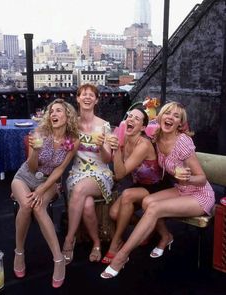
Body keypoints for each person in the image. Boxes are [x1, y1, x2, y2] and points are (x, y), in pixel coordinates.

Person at [100, 101, 215, 279]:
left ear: (180, 124)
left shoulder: (183, 142)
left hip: (199, 194)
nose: (170, 117)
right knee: (147, 202)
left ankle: (122, 256)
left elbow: (201, 179)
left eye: (176, 116)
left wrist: (187, 178)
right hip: (179, 189)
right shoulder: (156, 138)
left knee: (154, 207)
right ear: (160, 117)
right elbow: (131, 129)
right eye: (167, 113)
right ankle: (165, 237)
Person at [11, 99, 79, 288]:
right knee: (26, 205)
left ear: (68, 116)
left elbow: (60, 170)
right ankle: (19, 252)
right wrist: (35, 152)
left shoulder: (73, 140)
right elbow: (31, 166)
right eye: (51, 112)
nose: (53, 114)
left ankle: (58, 259)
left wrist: (42, 188)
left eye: (58, 111)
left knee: (39, 207)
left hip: (48, 181)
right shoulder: (39, 133)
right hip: (25, 176)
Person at [101, 107, 170, 264]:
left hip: (157, 186)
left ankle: (116, 243)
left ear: (143, 127)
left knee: (127, 195)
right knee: (113, 213)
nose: (130, 119)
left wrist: (116, 149)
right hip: (140, 185)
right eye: (129, 116)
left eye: (136, 119)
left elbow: (120, 173)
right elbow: (117, 170)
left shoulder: (143, 144)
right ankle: (146, 228)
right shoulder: (125, 139)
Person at [62, 84, 114, 264]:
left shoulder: (104, 126)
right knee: (87, 205)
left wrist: (101, 146)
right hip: (77, 173)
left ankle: (69, 239)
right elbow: (64, 151)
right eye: (83, 94)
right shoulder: (71, 125)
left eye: (91, 95)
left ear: (96, 100)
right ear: (77, 98)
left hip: (100, 174)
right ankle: (97, 243)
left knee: (80, 190)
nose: (87, 97)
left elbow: (108, 160)